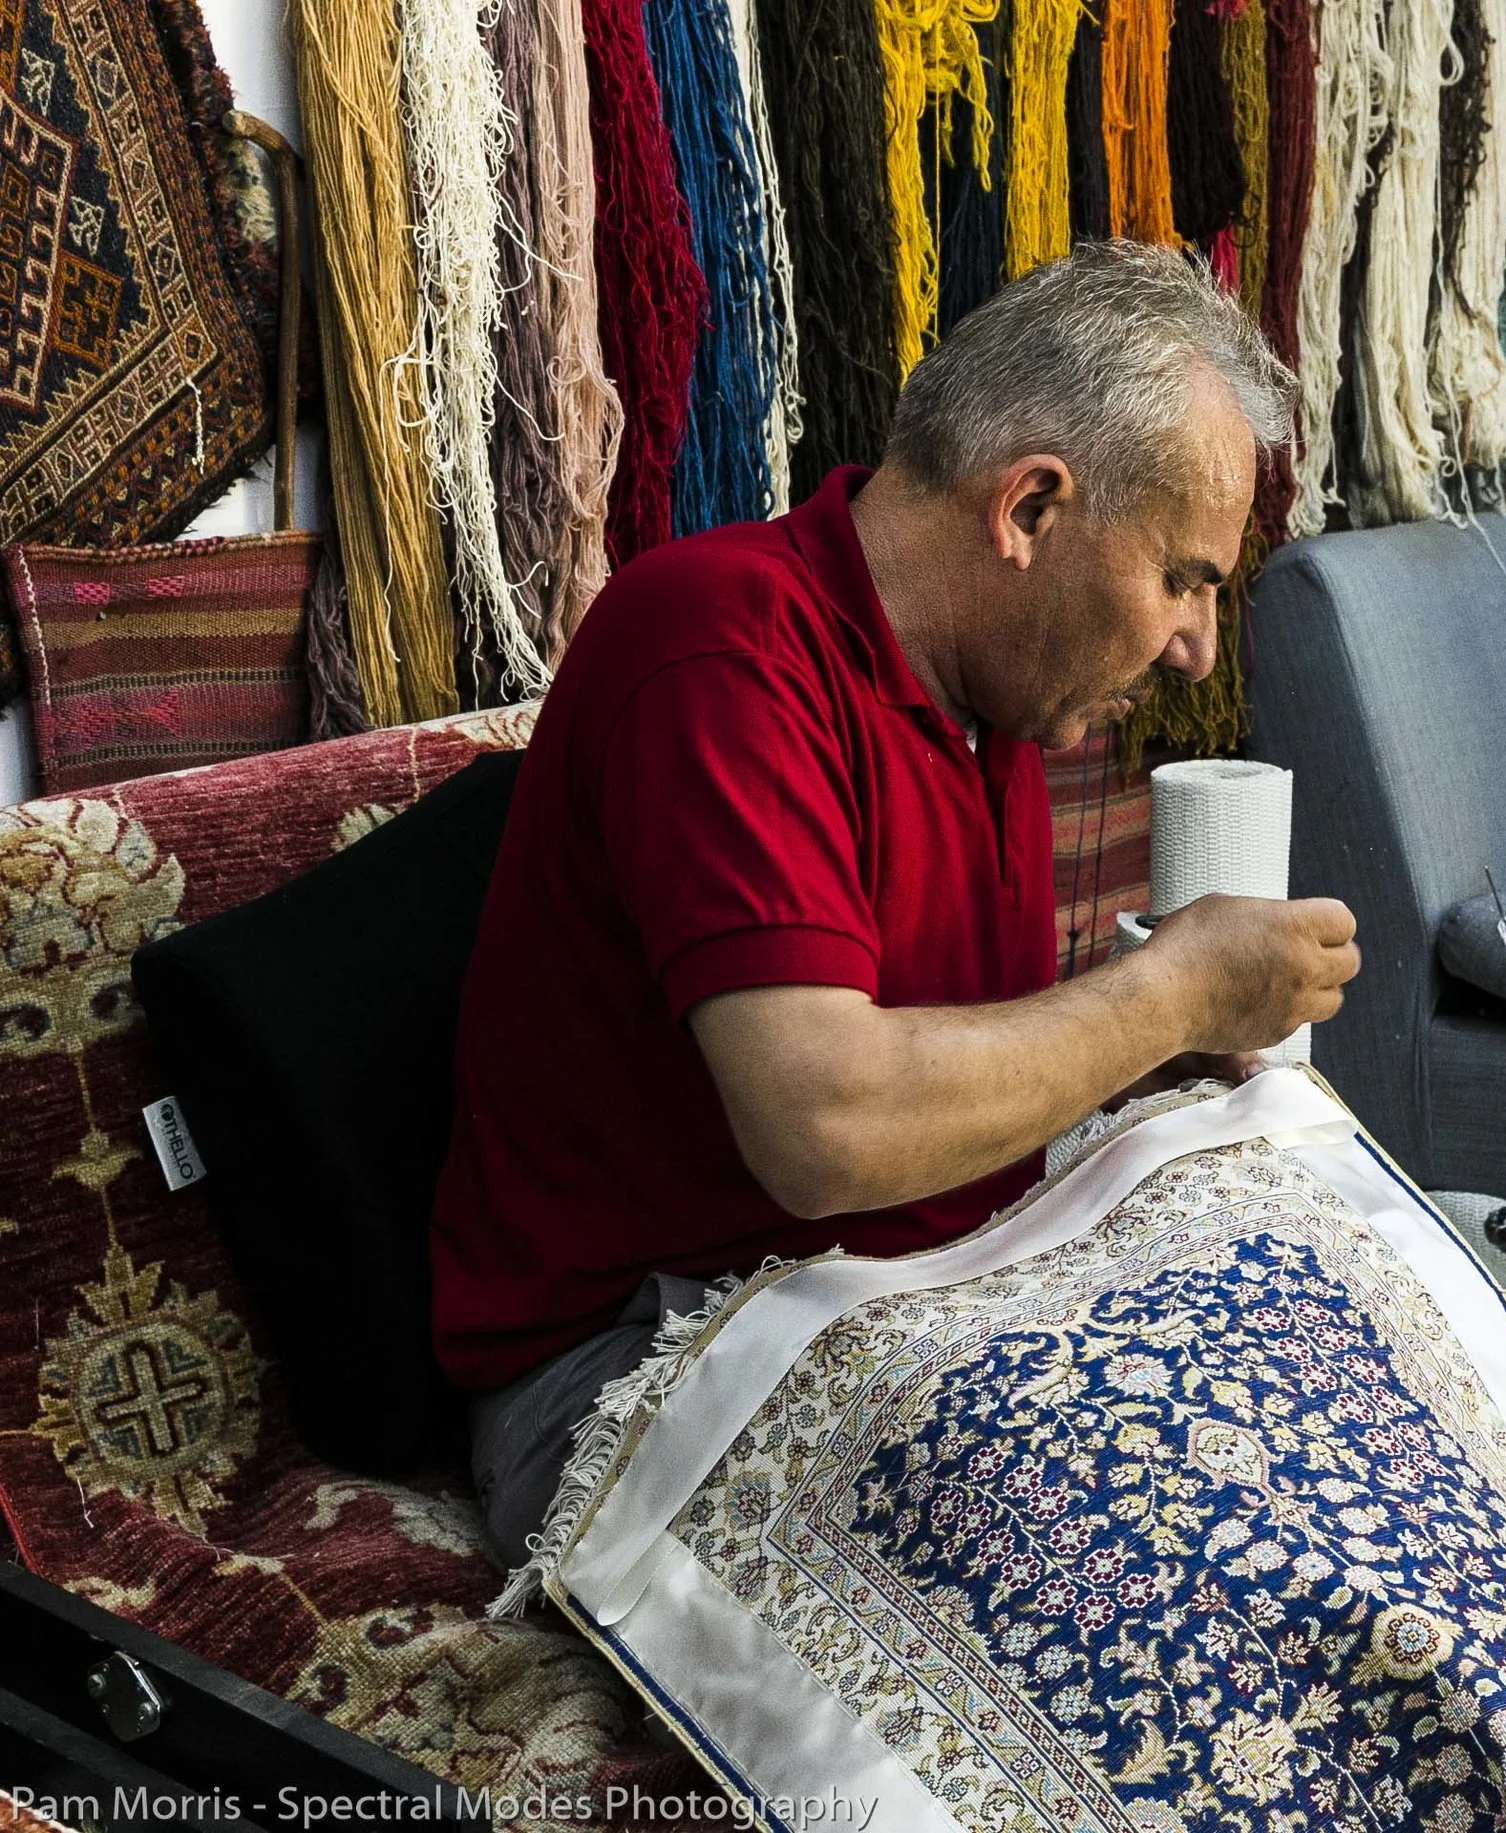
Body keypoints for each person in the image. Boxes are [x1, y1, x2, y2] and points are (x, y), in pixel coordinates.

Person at [435, 243, 1361, 1568]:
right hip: (640, 1364)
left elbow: (951, 1088)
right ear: (1030, 511)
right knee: (1161, 1556)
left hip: (890, 1304)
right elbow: (830, 1126)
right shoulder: (716, 644)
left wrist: (1159, 1053)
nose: (1196, 647)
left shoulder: (992, 710)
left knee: (1337, 1388)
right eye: (1183, 579)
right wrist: (1165, 995)